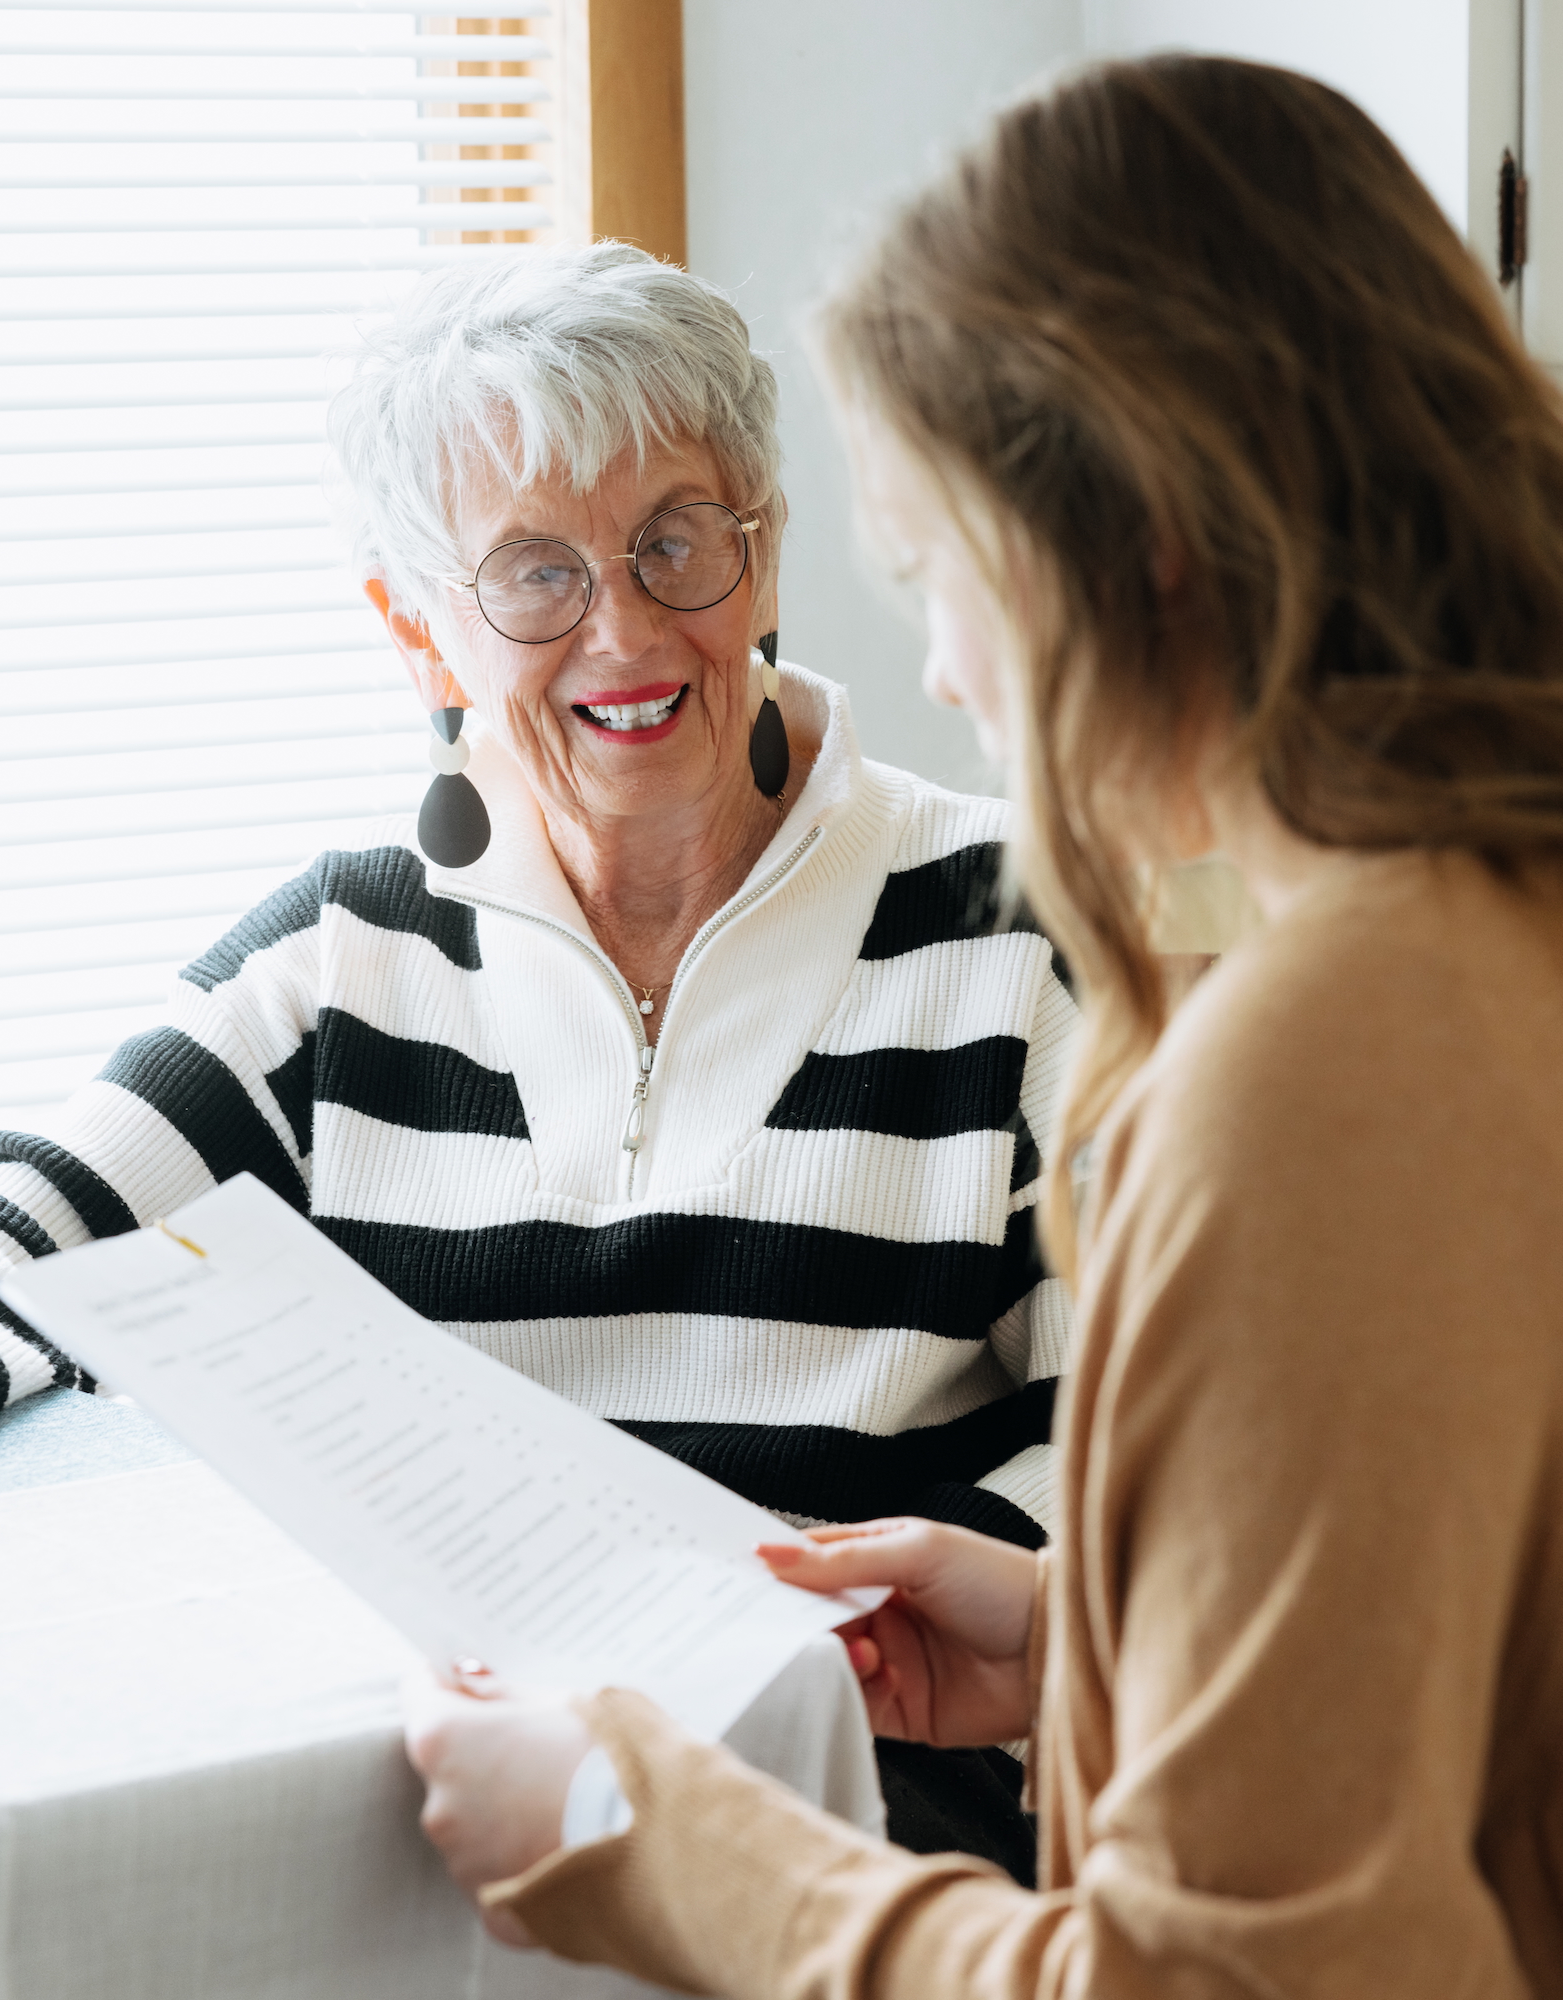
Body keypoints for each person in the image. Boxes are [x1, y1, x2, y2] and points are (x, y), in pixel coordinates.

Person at [0, 242, 1077, 1878]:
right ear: (417, 631)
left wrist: (842, 1618)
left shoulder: (1023, 933)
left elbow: (1152, 1440)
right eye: (533, 573)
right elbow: (50, 1205)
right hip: (452, 1803)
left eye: (676, 542)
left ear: (765, 545)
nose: (625, 635)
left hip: (867, 1793)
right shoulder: (352, 950)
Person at [400, 56, 1563, 1997]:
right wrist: (1078, 1645)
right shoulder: (1493, 928)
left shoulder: (1315, 1062)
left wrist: (659, 1844)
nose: (933, 662)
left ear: (1142, 540)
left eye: (936, 569)